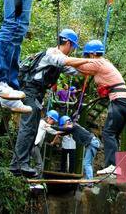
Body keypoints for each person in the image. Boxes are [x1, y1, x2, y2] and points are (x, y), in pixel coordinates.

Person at [9, 29, 79, 177]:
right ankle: (22, 163)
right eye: (73, 47)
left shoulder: (61, 59)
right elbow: (62, 62)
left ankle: (17, 164)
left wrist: (94, 65)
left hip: (36, 95)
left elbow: (74, 70)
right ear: (68, 43)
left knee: (32, 130)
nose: (72, 51)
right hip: (30, 92)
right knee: (27, 128)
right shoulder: (52, 53)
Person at [63, 40, 126, 176]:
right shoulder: (105, 63)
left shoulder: (98, 62)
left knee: (108, 133)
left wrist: (62, 59)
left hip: (119, 101)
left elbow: (79, 67)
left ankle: (112, 165)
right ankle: (115, 167)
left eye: (88, 55)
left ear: (94, 53)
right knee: (114, 135)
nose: (88, 58)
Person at [56, 115, 100, 180]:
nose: (63, 127)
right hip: (91, 143)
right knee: (87, 163)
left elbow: (63, 129)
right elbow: (63, 132)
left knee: (87, 163)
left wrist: (50, 126)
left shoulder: (74, 126)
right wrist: (54, 131)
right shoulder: (73, 128)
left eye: (63, 125)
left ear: (66, 123)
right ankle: (89, 180)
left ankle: (89, 181)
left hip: (92, 143)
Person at [31, 110, 61, 178]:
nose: (53, 123)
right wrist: (65, 130)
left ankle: (33, 180)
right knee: (40, 165)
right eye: (53, 121)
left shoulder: (42, 123)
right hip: (34, 146)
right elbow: (53, 131)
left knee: (36, 164)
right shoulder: (43, 123)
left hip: (35, 146)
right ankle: (34, 181)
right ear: (49, 118)